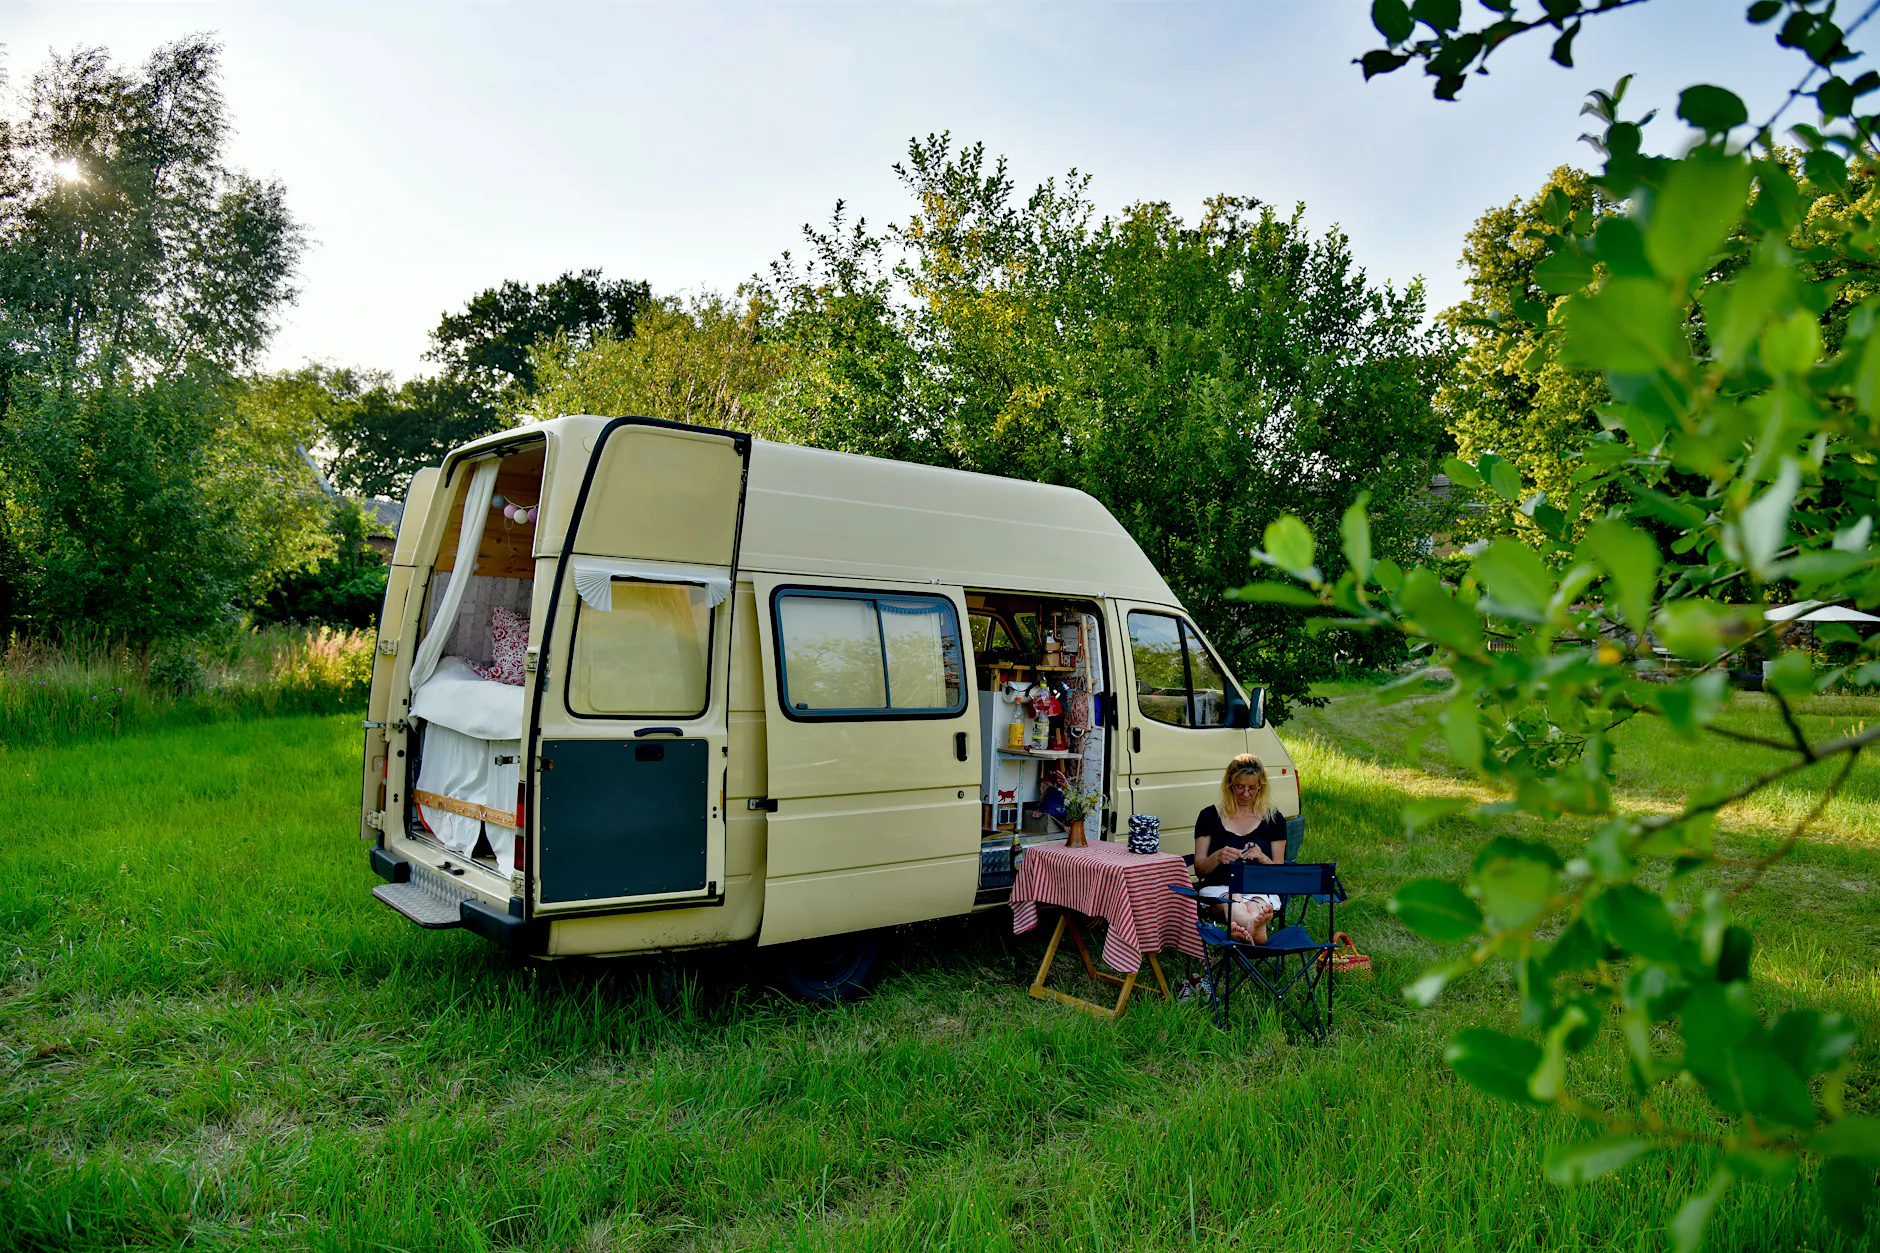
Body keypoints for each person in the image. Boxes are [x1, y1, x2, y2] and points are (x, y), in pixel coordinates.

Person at [1193, 754, 1288, 944]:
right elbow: (1199, 869)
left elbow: (1280, 873)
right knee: (1233, 902)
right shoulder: (1209, 816)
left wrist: (1263, 858)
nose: (1245, 794)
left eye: (1252, 788)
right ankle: (1253, 927)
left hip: (1259, 889)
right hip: (1218, 889)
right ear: (1230, 784)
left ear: (1261, 786)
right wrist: (1218, 856)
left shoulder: (1274, 819)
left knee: (1253, 905)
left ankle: (1244, 929)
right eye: (1240, 787)